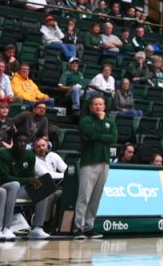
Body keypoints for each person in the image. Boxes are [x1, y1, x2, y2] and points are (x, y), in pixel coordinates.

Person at [74, 95, 115, 238]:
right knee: (84, 196)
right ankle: (78, 227)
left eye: (101, 104)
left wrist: (100, 134)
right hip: (89, 162)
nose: (98, 107)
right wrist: (102, 129)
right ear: (91, 107)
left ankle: (89, 227)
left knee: (96, 197)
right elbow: (90, 134)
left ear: (104, 106)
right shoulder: (86, 121)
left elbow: (114, 138)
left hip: (105, 163)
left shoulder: (110, 122)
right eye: (95, 104)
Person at [30, 135, 67, 237]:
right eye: (38, 147)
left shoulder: (54, 156)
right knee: (51, 194)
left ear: (47, 145)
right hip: (40, 187)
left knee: (65, 194)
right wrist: (65, 175)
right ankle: (45, 224)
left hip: (57, 185)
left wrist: (66, 174)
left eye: (43, 145)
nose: (41, 148)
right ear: (34, 148)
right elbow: (46, 175)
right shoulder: (33, 159)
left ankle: (62, 225)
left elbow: (66, 169)